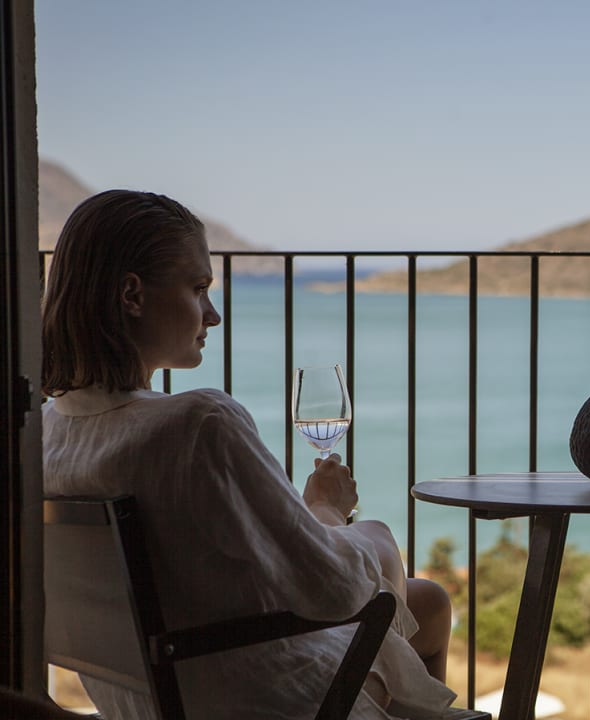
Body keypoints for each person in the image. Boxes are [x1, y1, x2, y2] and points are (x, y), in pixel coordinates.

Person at [41, 190, 456, 719]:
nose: (212, 315)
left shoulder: (44, 433)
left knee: (427, 600)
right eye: (198, 289)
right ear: (132, 295)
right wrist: (327, 510)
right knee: (378, 541)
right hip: (262, 700)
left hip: (149, 698)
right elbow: (334, 591)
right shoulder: (199, 423)